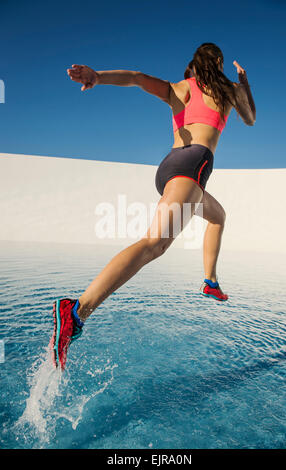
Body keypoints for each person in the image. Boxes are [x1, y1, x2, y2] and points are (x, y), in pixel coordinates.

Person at [50, 42, 256, 370]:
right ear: (217, 64)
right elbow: (250, 117)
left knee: (217, 216)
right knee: (154, 244)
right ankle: (75, 311)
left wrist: (97, 76)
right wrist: (243, 81)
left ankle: (210, 281)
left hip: (170, 166)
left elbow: (136, 77)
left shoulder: (177, 89)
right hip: (194, 164)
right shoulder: (228, 90)